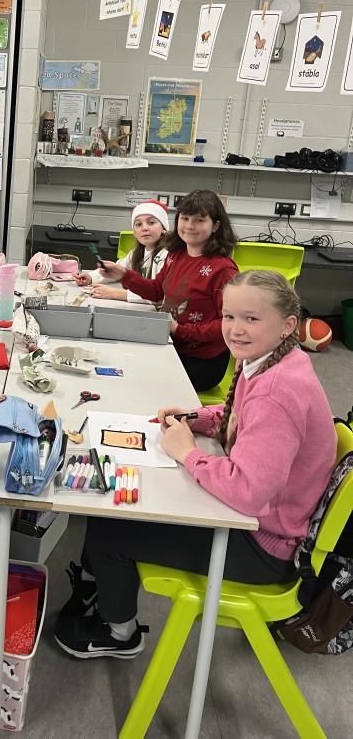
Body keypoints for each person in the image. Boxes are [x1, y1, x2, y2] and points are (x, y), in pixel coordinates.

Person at [55, 270, 337, 660]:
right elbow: (241, 415)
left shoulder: (277, 390)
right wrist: (195, 418)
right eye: (229, 316)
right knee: (109, 510)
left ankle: (120, 634)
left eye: (251, 318)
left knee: (108, 532)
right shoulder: (270, 359)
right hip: (262, 525)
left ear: (288, 325)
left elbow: (249, 492)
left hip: (263, 547)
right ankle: (96, 585)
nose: (235, 329)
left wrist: (188, 453)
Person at [93, 190, 238, 391]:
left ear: (216, 225)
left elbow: (229, 323)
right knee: (120, 362)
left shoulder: (223, 270)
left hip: (200, 362)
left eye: (199, 220)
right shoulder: (176, 255)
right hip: (169, 343)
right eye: (185, 218)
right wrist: (124, 274)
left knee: (135, 380)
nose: (189, 226)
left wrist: (180, 330)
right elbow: (157, 291)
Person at [74, 199, 169, 304]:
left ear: (164, 228)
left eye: (151, 222)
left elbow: (159, 295)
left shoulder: (167, 255)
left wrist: (115, 293)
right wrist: (90, 277)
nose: (145, 228)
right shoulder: (137, 252)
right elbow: (118, 270)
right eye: (138, 224)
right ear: (134, 233)